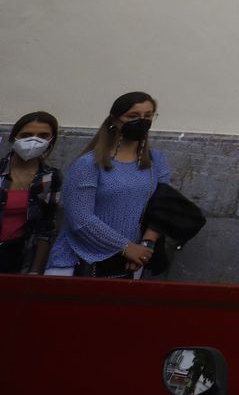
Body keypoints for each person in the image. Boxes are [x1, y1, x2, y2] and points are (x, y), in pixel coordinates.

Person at [45, 92, 170, 277]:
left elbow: (164, 206)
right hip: (79, 262)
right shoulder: (88, 164)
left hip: (130, 263)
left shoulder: (156, 161)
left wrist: (145, 246)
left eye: (148, 116)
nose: (142, 121)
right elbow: (80, 219)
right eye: (133, 116)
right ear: (115, 120)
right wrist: (125, 247)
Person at [0, 112, 63, 274]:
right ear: (14, 137)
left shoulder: (50, 177)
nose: (34, 140)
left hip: (17, 255)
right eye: (26, 135)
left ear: (51, 141)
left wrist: (35, 271)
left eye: (43, 136)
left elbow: (46, 227)